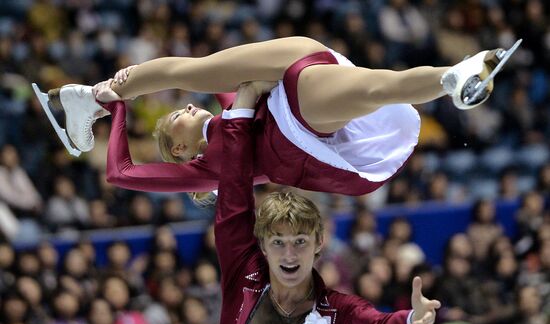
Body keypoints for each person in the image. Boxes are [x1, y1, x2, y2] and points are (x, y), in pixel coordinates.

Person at [47, 36, 506, 198]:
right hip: (301, 132)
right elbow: (120, 172)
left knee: (193, 70)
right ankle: (451, 77)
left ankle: (91, 98)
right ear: (182, 151)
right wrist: (123, 113)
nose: (183, 109)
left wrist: (116, 99)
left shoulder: (226, 106)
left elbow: (200, 79)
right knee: (377, 88)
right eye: (174, 123)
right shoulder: (208, 172)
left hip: (296, 89)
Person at [208, 81, 439, 324]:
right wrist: (242, 109)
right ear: (263, 245)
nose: (289, 254)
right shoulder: (243, 273)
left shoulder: (337, 313)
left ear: (319, 242)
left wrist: (412, 323)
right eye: (278, 241)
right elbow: (234, 194)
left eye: (300, 241)